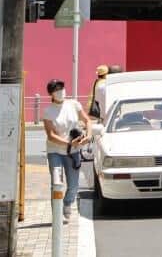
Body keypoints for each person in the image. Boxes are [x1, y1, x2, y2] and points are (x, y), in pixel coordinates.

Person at [42, 79, 92, 222]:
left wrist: (88, 136)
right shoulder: (48, 111)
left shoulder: (74, 104)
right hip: (55, 151)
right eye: (56, 90)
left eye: (62, 88)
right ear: (51, 94)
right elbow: (51, 135)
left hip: (73, 152)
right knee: (57, 183)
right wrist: (69, 143)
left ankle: (67, 203)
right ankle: (57, 215)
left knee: (74, 185)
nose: (60, 92)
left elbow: (87, 120)